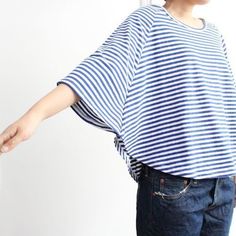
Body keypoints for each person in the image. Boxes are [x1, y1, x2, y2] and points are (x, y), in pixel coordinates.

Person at [0, 0, 236, 235]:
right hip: (175, 186)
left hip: (222, 185)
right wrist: (35, 116)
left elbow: (227, 107)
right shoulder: (149, 20)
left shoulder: (214, 35)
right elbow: (99, 69)